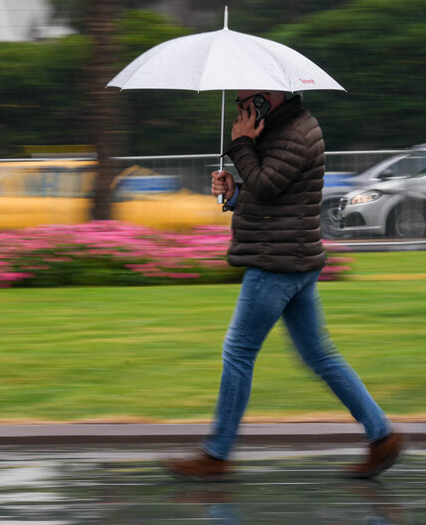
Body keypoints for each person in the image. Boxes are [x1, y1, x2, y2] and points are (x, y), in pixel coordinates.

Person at [164, 90, 403, 481]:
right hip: (292, 257)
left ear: (269, 96)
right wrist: (234, 192)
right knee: (319, 356)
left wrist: (241, 143)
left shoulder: (296, 132)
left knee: (238, 352)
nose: (241, 107)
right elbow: (270, 197)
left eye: (246, 100)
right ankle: (382, 436)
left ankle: (216, 454)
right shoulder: (281, 129)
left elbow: (268, 184)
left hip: (277, 263)